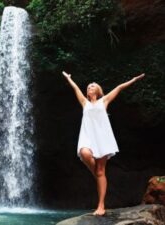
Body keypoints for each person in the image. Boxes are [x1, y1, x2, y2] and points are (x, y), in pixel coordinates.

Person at [62, 71, 145, 216]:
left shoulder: (104, 101)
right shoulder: (84, 102)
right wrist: (69, 78)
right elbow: (75, 88)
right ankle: (99, 177)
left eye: (92, 86)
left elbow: (119, 87)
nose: (89, 88)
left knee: (101, 171)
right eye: (88, 87)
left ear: (98, 90)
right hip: (87, 137)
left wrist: (133, 79)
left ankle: (101, 206)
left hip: (102, 138)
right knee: (84, 153)